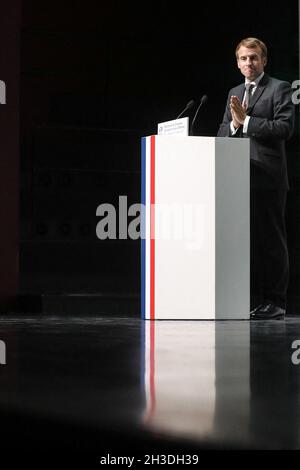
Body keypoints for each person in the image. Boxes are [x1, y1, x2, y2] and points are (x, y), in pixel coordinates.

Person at [217, 37, 295, 320]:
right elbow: (224, 131)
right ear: (237, 63)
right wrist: (236, 126)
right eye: (243, 58)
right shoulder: (234, 92)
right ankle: (249, 300)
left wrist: (247, 122)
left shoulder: (279, 88)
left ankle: (275, 302)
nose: (248, 63)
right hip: (236, 177)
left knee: (270, 242)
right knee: (244, 243)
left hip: (268, 178)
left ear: (263, 61)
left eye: (253, 58)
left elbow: (284, 127)